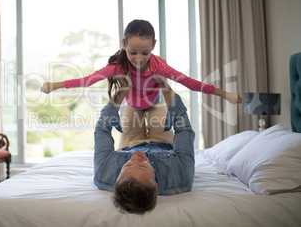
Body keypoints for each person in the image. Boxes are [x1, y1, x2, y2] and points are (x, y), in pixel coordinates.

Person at [41, 19, 243, 109]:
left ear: (154, 45)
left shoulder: (157, 65)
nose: (138, 59)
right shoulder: (119, 66)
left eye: (145, 52)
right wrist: (53, 85)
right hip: (132, 103)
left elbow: (191, 83)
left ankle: (163, 83)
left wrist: (226, 95)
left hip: (155, 102)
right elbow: (87, 81)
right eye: (132, 52)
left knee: (163, 75)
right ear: (123, 45)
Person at [94, 73, 195, 214]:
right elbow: (183, 130)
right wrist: (164, 85)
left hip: (129, 143)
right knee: (155, 104)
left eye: (127, 165)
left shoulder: (103, 175)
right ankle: (150, 81)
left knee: (134, 102)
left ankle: (136, 78)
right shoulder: (182, 178)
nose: (136, 156)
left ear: (116, 180)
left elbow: (102, 130)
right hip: (163, 143)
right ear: (156, 185)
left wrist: (123, 88)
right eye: (142, 166)